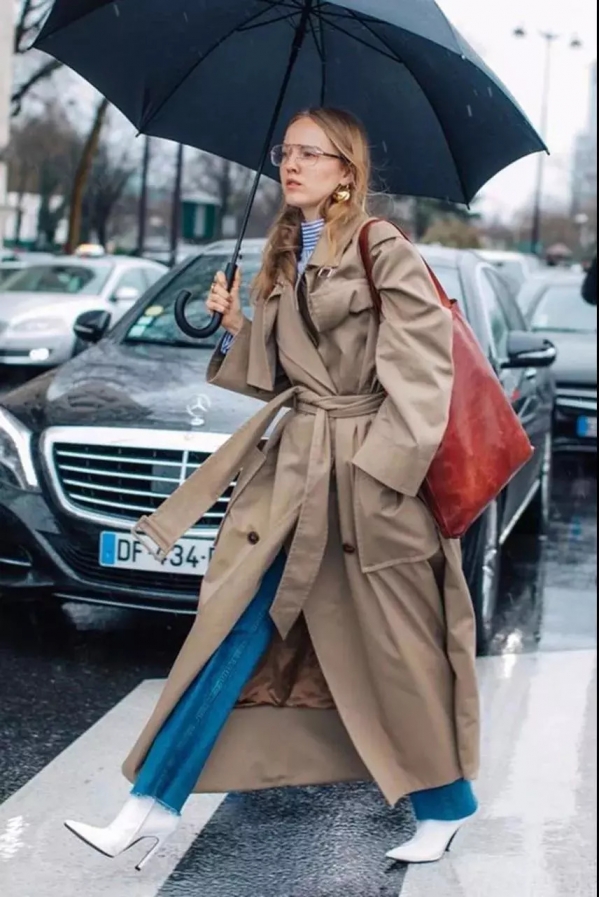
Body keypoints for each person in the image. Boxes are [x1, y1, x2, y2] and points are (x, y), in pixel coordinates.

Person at [64, 108, 480, 871]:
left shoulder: (381, 246)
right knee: (234, 630)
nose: (291, 165)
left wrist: (378, 478)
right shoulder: (286, 251)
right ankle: (147, 805)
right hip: (295, 478)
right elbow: (278, 377)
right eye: (284, 152)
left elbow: (424, 376)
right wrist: (235, 324)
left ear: (346, 170)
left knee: (396, 652)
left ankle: (446, 805)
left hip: (364, 486)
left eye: (309, 155)